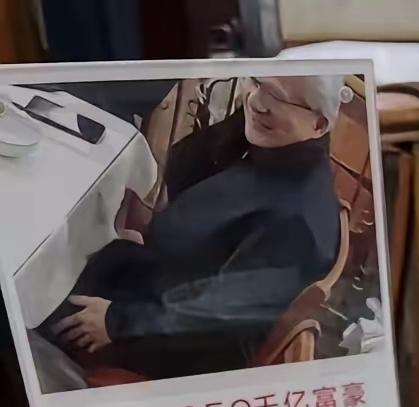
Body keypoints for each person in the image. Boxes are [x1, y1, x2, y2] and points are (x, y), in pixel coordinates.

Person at [40, 75, 344, 383]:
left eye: (277, 97)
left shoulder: (294, 221)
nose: (257, 101)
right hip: (166, 283)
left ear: (319, 124)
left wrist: (116, 322)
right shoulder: (277, 149)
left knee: (36, 305)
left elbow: (224, 317)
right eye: (256, 82)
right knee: (61, 255)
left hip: (178, 338)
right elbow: (183, 170)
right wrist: (243, 125)